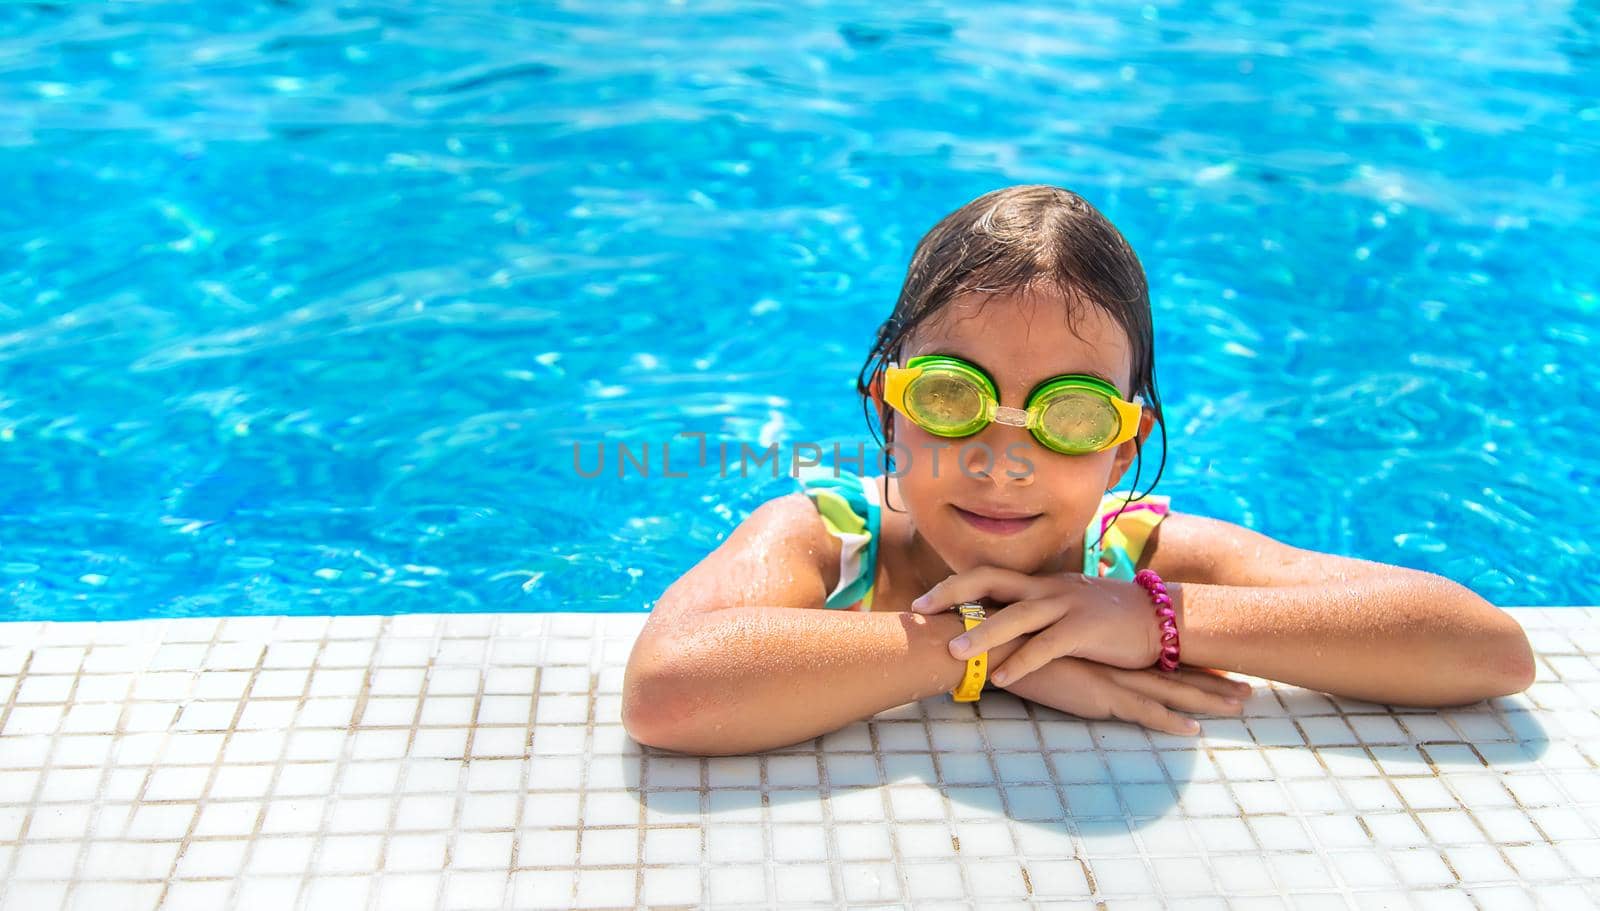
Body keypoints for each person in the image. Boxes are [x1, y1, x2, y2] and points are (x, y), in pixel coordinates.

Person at [621, 185, 1536, 757]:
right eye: (951, 397)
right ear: (887, 408)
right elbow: (670, 688)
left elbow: (1483, 646)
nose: (1004, 462)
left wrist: (1148, 619)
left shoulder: (1137, 557)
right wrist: (990, 648)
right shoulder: (824, 537)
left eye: (1071, 416)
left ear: (1123, 447)